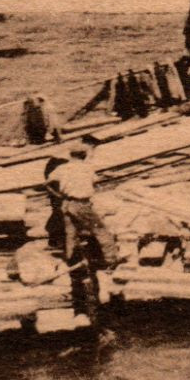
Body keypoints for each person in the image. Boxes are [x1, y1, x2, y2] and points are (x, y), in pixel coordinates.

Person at [47, 137, 117, 325]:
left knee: (71, 234)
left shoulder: (62, 168)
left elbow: (48, 182)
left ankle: (71, 257)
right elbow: (95, 182)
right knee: (101, 231)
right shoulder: (87, 168)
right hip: (82, 204)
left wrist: (59, 195)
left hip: (67, 203)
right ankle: (111, 259)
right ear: (84, 155)